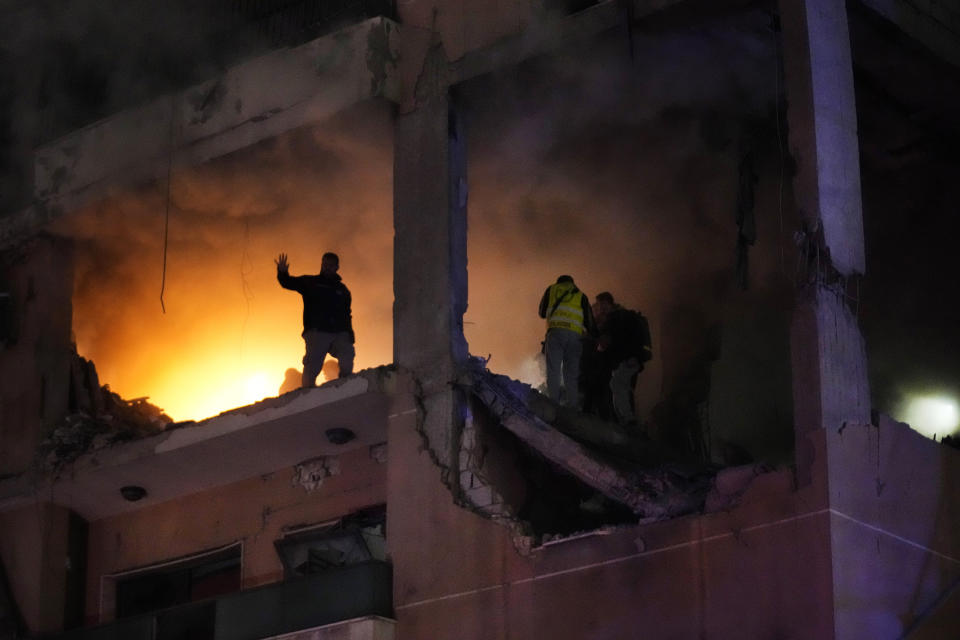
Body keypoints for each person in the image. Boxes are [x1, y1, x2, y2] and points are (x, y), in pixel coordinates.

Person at [276, 252, 355, 388]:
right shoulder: (311, 282)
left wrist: (349, 333)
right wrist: (282, 273)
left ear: (337, 267)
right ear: (321, 265)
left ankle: (345, 385)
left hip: (339, 332)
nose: (327, 267)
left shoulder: (343, 290)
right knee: (313, 364)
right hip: (318, 332)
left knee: (347, 353)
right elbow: (289, 283)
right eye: (325, 264)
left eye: (331, 265)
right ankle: (307, 392)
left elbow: (347, 314)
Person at [592, 292, 652, 426]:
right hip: (631, 360)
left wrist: (597, 345)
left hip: (627, 360)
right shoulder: (624, 316)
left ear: (607, 303)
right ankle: (626, 420)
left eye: (601, 305)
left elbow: (607, 342)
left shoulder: (614, 319)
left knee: (617, 385)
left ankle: (627, 420)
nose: (600, 309)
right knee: (622, 387)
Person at [538, 275, 595, 408]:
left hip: (556, 333)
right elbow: (589, 322)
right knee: (571, 372)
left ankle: (554, 403)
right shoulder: (581, 295)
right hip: (575, 336)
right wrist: (597, 337)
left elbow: (541, 313)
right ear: (571, 283)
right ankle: (573, 406)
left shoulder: (551, 290)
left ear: (559, 282)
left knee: (554, 370)